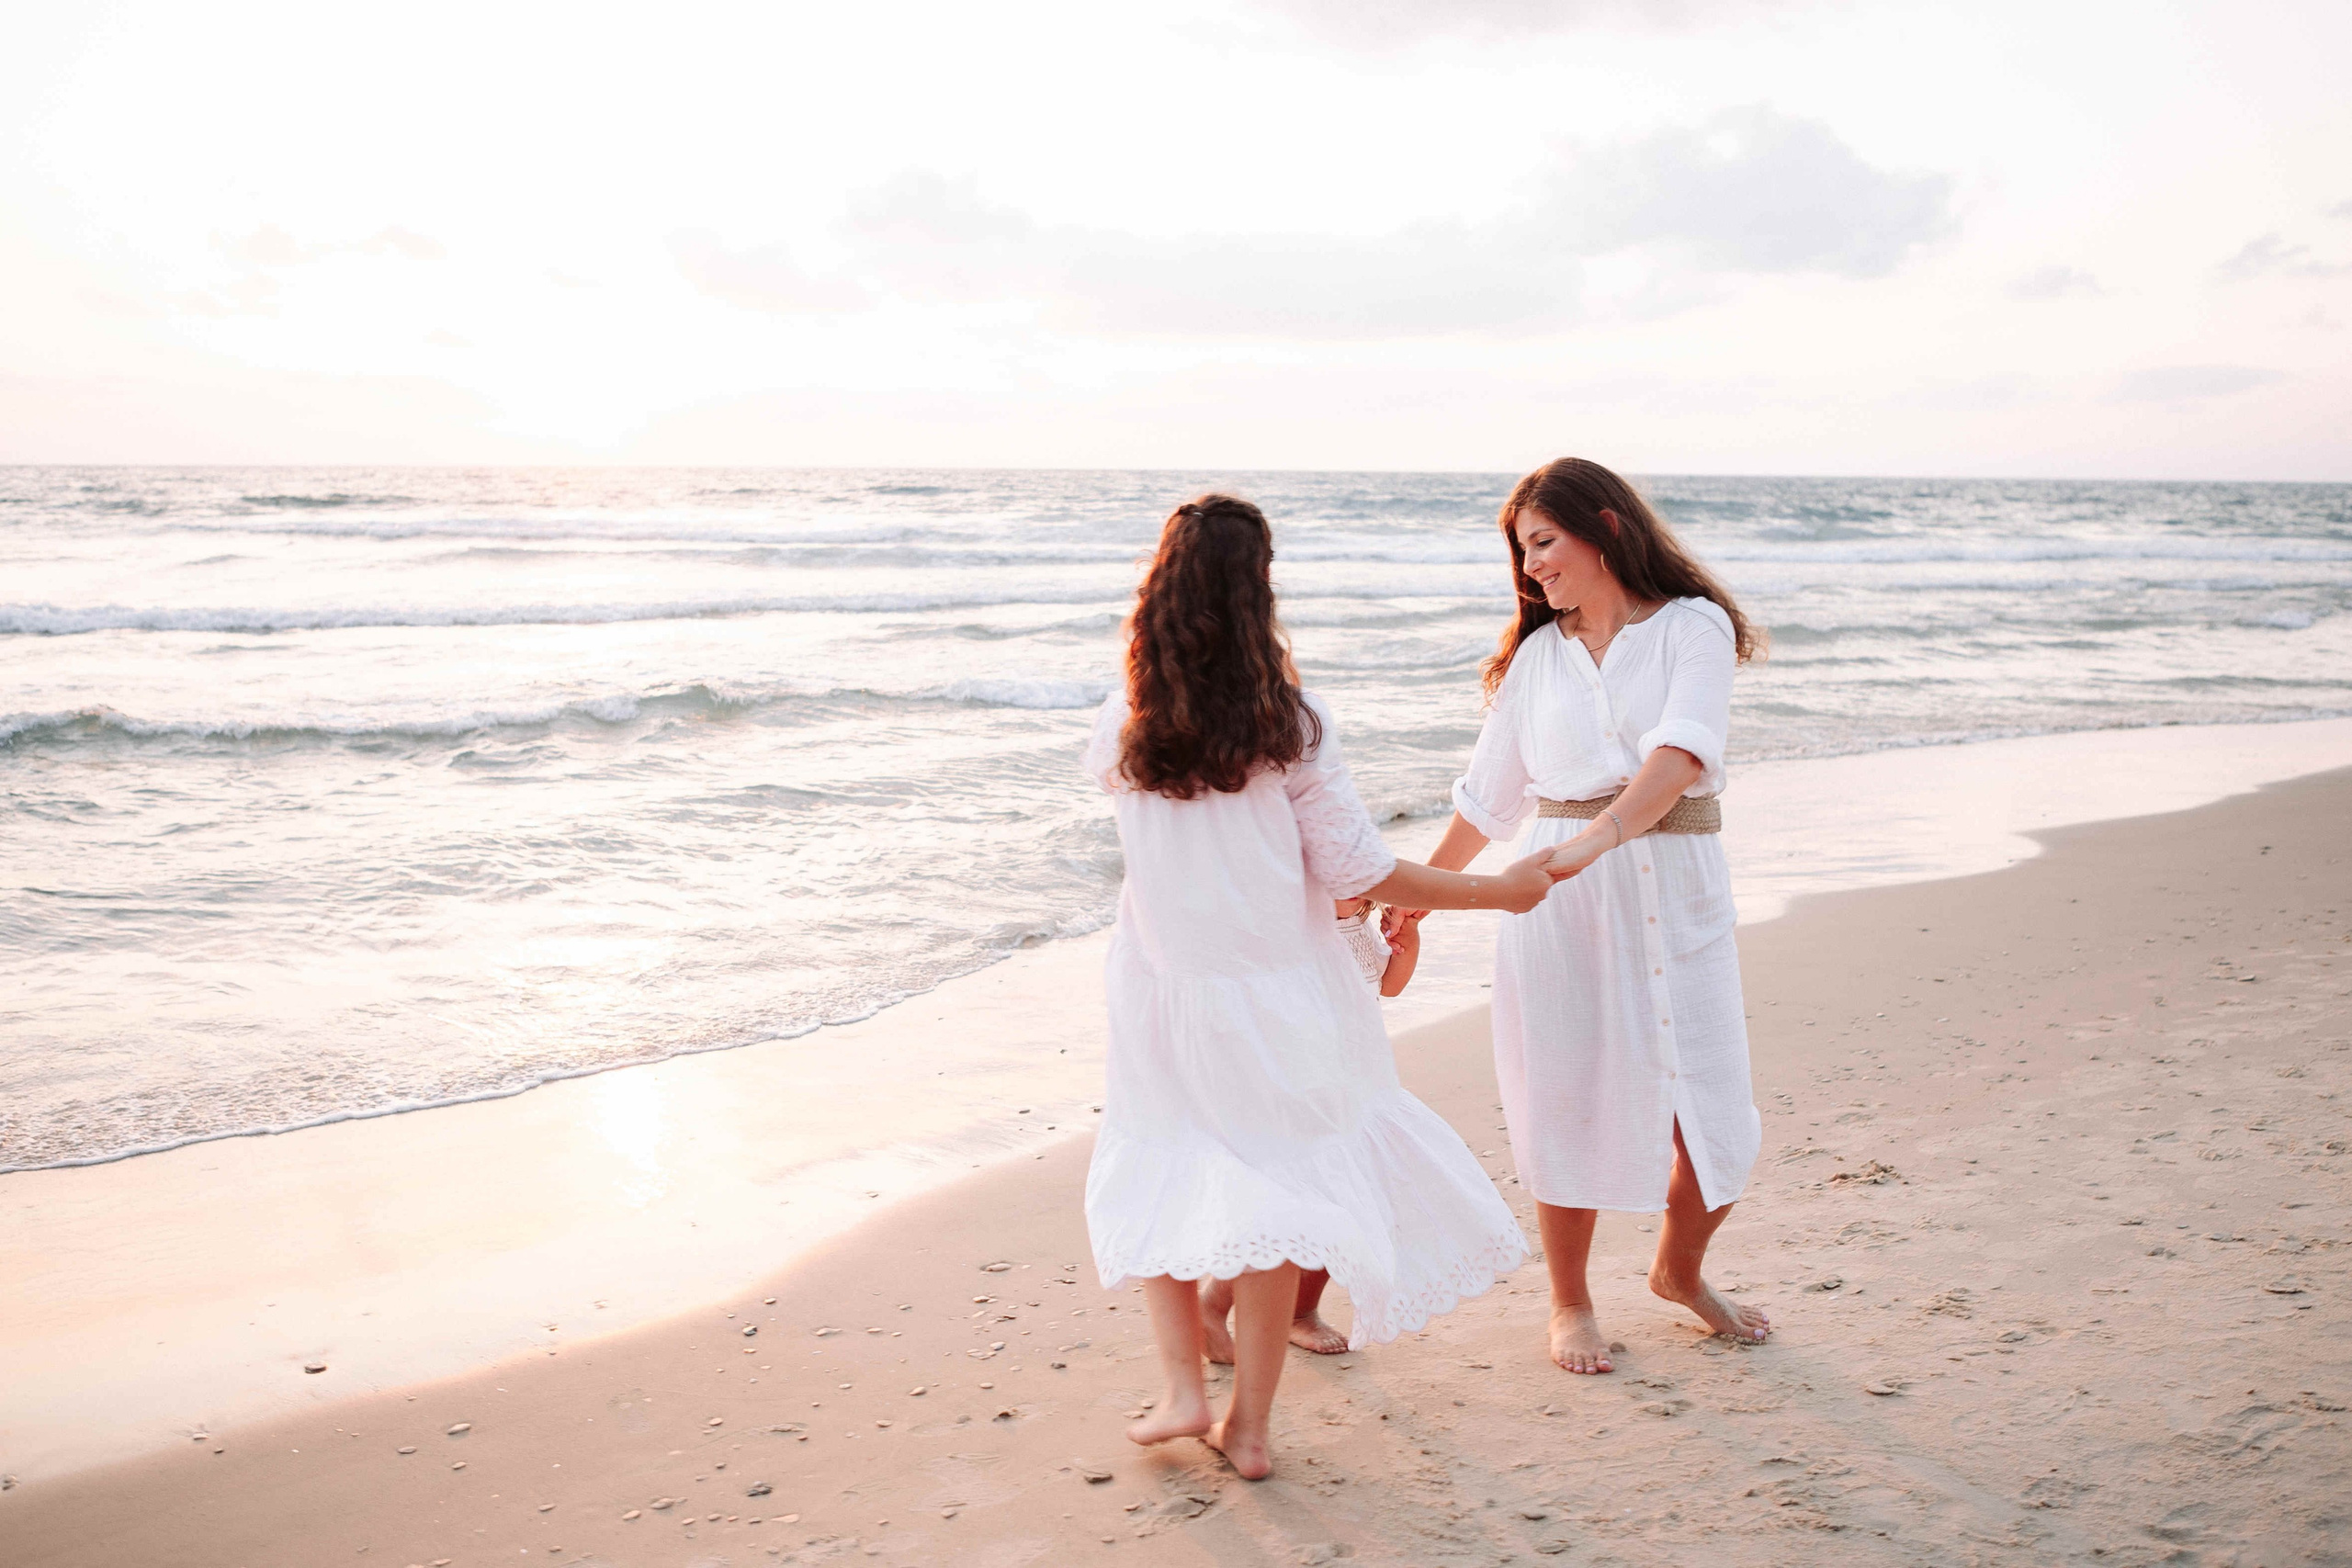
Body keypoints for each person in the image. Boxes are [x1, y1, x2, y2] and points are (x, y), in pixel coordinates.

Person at [1082, 493, 1558, 1479]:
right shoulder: (1288, 725)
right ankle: (1248, 1429)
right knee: (1280, 1202)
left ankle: (1180, 1387)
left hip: (1162, 993)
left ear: (1157, 594)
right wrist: (1497, 892)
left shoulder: (1122, 731)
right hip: (1280, 999)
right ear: (1259, 593)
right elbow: (1358, 873)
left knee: (1160, 1168)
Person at [1410, 457, 1771, 1375]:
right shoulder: (1538, 659)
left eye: (1543, 543)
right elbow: (1487, 804)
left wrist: (1598, 839)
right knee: (1565, 1102)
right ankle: (1568, 1303)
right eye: (1520, 554)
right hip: (1560, 912)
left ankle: (1677, 1273)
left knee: (1719, 1115)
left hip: (1673, 886)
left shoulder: (1691, 628)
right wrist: (1411, 898)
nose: (1531, 568)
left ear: (1604, 528)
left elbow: (1683, 753)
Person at [1197, 892, 1420, 1358]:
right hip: (1297, 1095)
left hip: (1352, 1093)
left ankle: (1294, 1312)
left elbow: (1390, 985)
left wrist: (1409, 938)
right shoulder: (1294, 929)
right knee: (1292, 1212)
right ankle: (1219, 1305)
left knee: (1341, 1208)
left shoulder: (1363, 930)